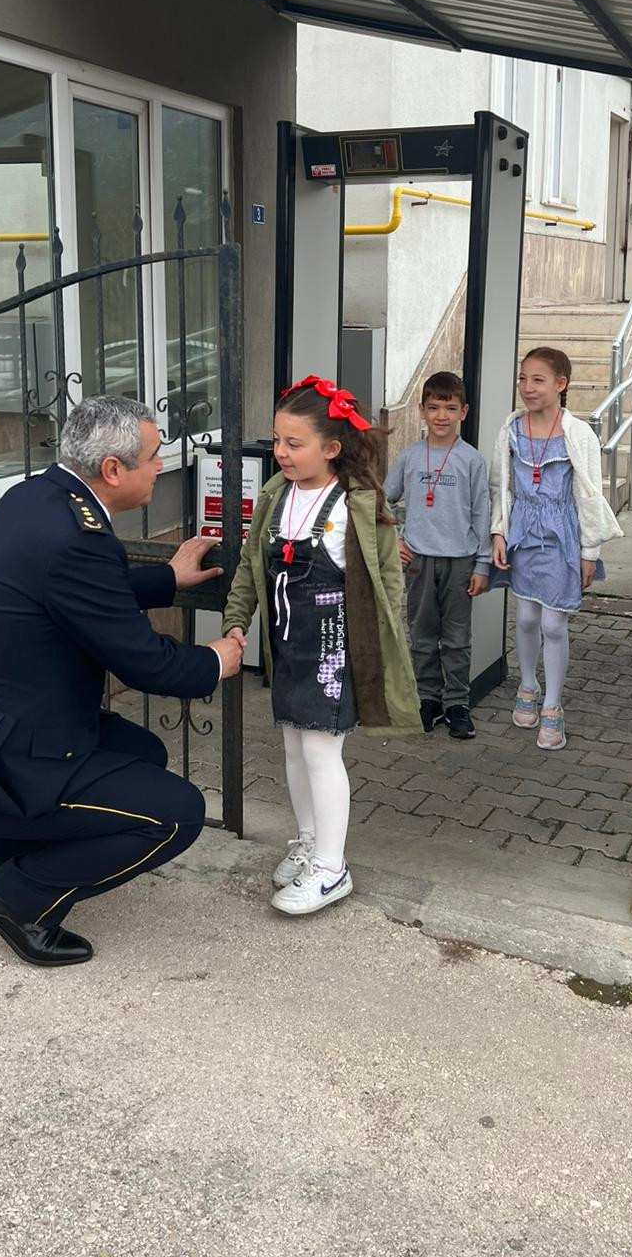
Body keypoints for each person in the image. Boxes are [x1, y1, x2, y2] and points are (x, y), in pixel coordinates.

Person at [0, 394, 246, 969]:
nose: (161, 466)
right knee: (177, 814)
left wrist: (167, 578)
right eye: (154, 456)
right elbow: (144, 663)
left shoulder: (37, 497)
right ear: (113, 469)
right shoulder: (76, 536)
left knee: (142, 753)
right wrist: (214, 661)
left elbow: (81, 592)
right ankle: (15, 898)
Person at [223, 374, 421, 915]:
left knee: (319, 748)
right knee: (293, 744)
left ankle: (332, 869)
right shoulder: (275, 496)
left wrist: (384, 649)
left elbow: (387, 581)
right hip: (288, 644)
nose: (281, 452)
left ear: (331, 449)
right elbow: (250, 566)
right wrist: (237, 620)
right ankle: (310, 842)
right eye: (277, 441)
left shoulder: (357, 503)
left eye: (295, 443)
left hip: (333, 646)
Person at [488, 348, 622, 751]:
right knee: (526, 616)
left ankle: (552, 704)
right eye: (523, 378)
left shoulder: (578, 434)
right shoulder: (511, 430)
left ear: (560, 384)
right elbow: (501, 486)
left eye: (538, 380)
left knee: (553, 624)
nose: (527, 387)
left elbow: (590, 495)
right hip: (523, 534)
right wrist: (498, 532)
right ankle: (527, 685)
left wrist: (589, 551)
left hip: (563, 538)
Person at [383, 370, 490, 740]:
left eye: (450, 408)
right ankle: (428, 698)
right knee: (422, 634)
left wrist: (482, 564)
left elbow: (482, 514)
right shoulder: (409, 457)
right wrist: (394, 540)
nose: (441, 416)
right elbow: (382, 500)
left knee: (457, 637)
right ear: (421, 411)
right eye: (433, 408)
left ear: (464, 412)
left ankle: (457, 703)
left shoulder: (472, 461)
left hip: (460, 561)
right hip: (419, 561)